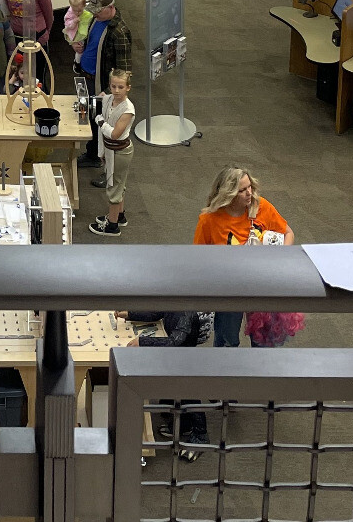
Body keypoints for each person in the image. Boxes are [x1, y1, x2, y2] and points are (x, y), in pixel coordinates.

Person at [193, 166, 295, 347]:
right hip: (229, 289)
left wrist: (281, 258)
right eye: (242, 190)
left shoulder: (261, 206)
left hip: (262, 285)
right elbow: (198, 258)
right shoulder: (209, 220)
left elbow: (288, 233)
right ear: (228, 194)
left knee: (264, 343)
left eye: (250, 187)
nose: (249, 193)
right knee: (227, 341)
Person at [126, 310, 211, 460]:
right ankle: (184, 425)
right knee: (175, 394)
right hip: (174, 359)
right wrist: (129, 314)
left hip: (184, 362)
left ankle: (201, 437)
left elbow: (174, 341)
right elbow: (155, 314)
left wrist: (143, 342)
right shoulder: (172, 303)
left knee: (189, 397)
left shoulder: (187, 314)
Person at [77, 0, 132, 167]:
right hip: (87, 78)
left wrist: (108, 92)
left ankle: (107, 168)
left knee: (104, 127)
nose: (95, 13)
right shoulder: (96, 19)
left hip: (101, 86)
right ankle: (92, 154)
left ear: (111, 7)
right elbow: (91, 41)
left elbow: (125, 71)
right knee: (90, 119)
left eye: (99, 10)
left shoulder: (119, 32)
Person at [89, 68, 136, 236]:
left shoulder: (128, 110)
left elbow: (115, 134)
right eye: (113, 86)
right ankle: (119, 215)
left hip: (120, 152)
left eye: (120, 87)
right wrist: (102, 152)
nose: (116, 90)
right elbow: (100, 100)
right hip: (110, 150)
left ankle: (112, 225)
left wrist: (100, 121)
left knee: (114, 188)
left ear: (128, 87)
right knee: (118, 183)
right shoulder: (109, 99)